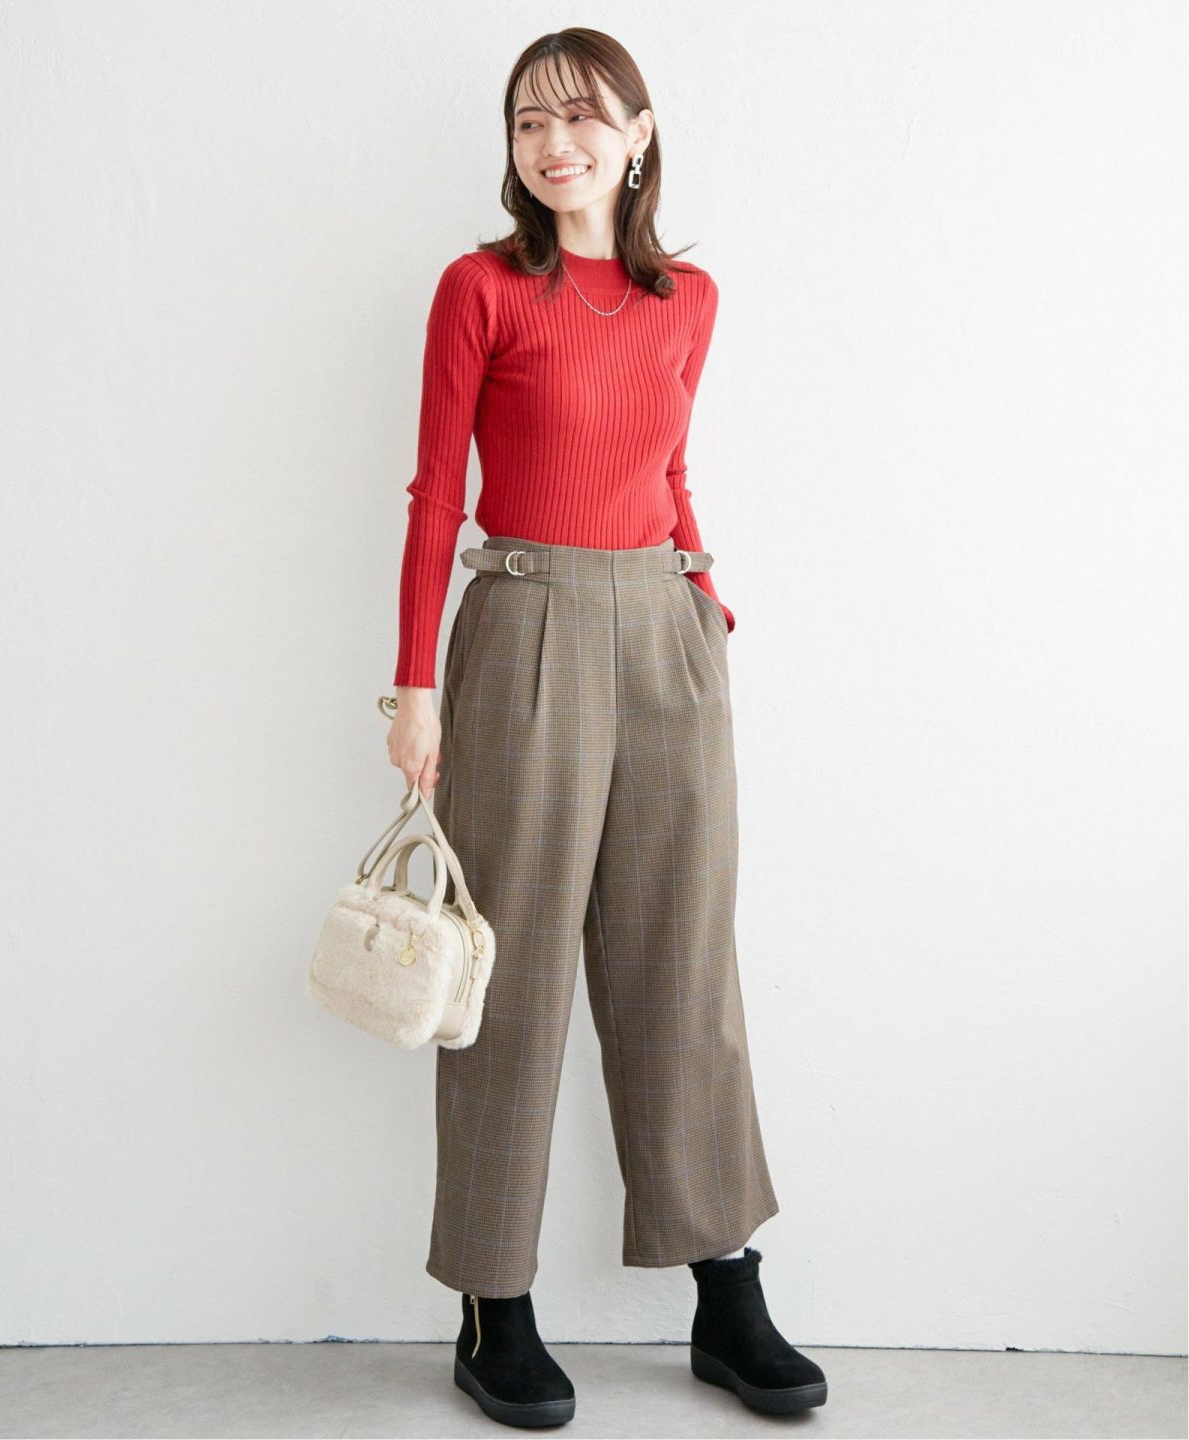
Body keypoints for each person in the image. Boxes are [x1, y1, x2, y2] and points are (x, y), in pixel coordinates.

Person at [385, 28, 827, 1429]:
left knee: (682, 960)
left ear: (639, 132)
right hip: (524, 621)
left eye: (580, 116)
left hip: (668, 631)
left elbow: (668, 459)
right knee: (509, 971)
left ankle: (727, 1292)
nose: (553, 141)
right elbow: (435, 493)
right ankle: (492, 1306)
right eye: (529, 121)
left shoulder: (688, 299)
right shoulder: (479, 289)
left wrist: (704, 594)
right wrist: (412, 685)